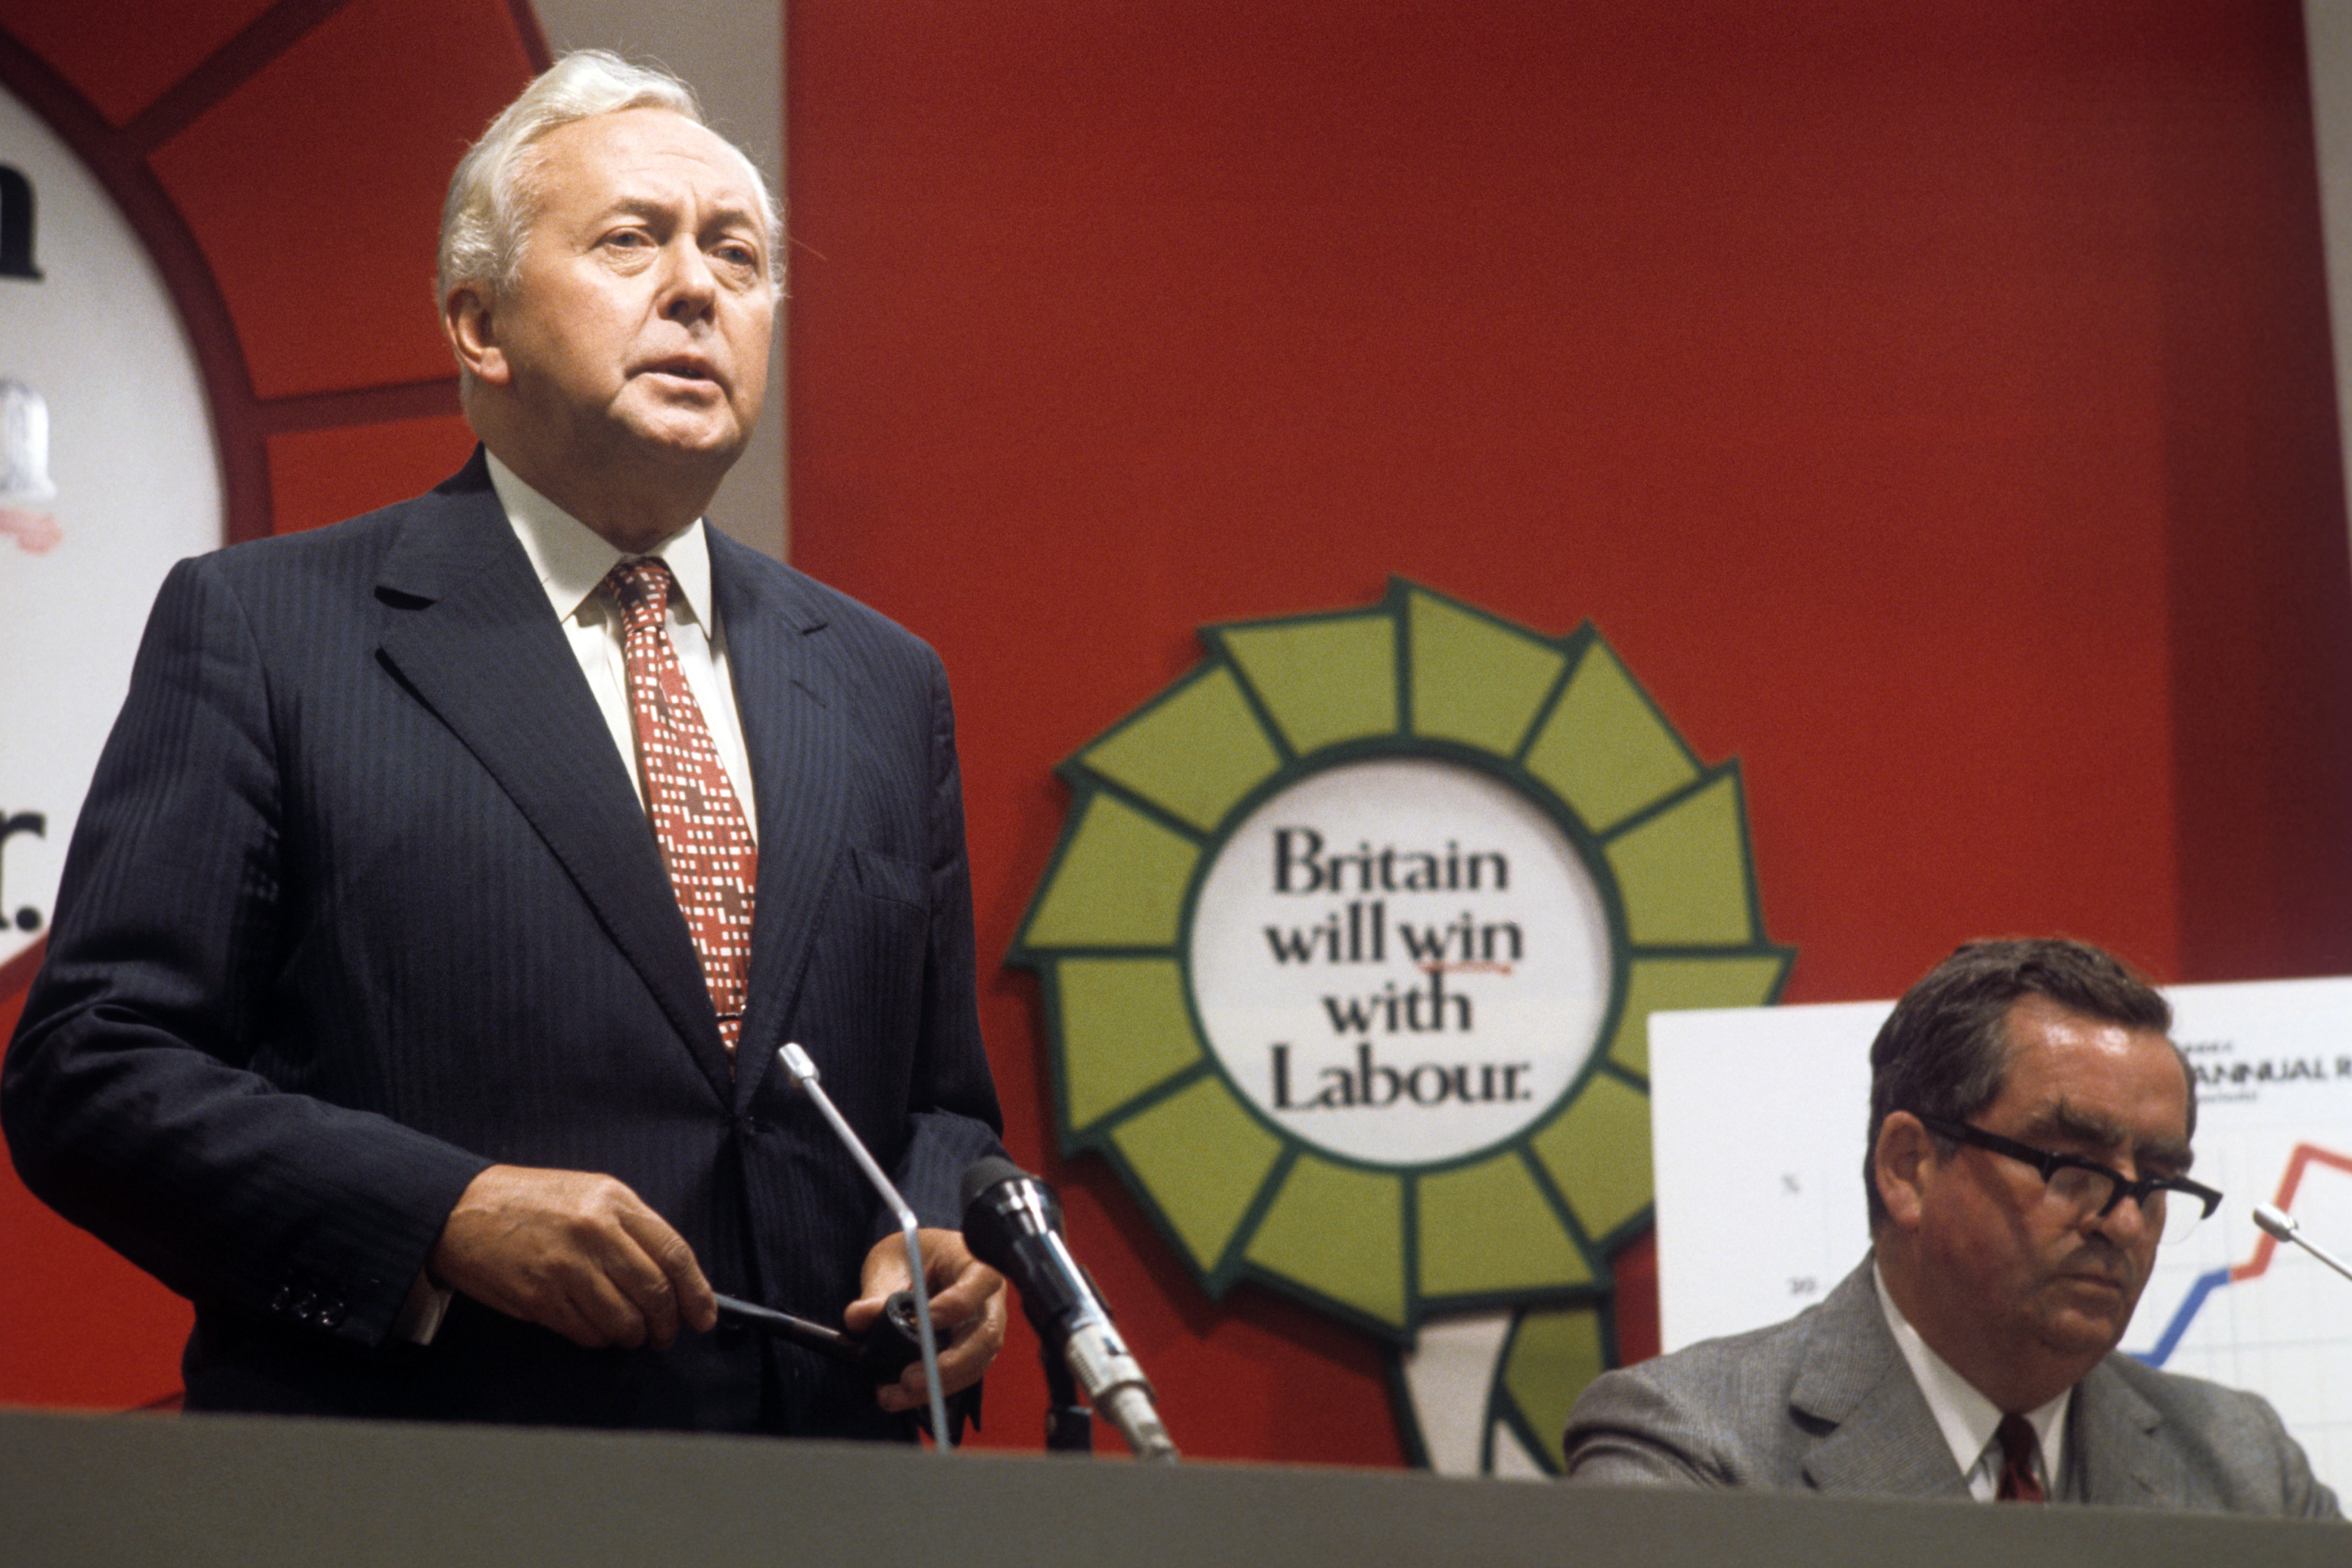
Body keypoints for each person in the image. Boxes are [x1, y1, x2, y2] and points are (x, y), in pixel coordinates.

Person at [2, 51, 1008, 1438]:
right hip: (431, 1482)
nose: (699, 287)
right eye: (631, 241)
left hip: (833, 1487)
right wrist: (441, 1213)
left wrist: (951, 1247)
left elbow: (944, 1116)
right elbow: (94, 1072)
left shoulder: (886, 682)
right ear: (479, 325)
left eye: (738, 254)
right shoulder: (268, 629)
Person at [1562, 938, 2340, 1515]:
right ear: (1908, 1167)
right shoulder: (1691, 1448)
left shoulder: (2246, 1469)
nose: (2126, 1215)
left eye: (2160, 1176)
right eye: (2069, 1159)